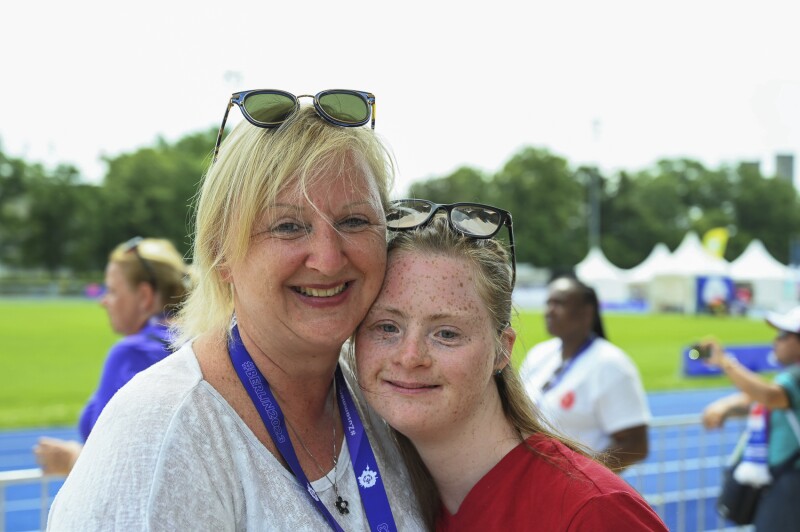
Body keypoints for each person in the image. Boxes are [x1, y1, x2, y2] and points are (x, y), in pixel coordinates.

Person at [47, 94, 423, 530]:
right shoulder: (161, 435)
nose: (328, 258)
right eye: (288, 226)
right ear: (221, 253)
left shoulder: (387, 392)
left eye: (354, 221)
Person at [354, 207, 667, 530]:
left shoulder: (592, 512)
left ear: (502, 350)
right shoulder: (392, 501)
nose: (409, 356)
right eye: (387, 327)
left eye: (447, 333)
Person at [33, 237, 191, 476]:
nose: (103, 301)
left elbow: (110, 469)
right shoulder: (201, 339)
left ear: (145, 296)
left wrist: (71, 460)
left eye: (113, 291)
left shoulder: (132, 354)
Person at [518, 275, 650, 471]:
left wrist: (579, 476)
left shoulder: (610, 364)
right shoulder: (539, 355)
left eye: (559, 303)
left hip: (577, 492)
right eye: (548, 303)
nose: (549, 311)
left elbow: (636, 446)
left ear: (587, 312)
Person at [701, 307, 800, 530]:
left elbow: (769, 396)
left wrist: (725, 362)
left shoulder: (795, 375)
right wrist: (726, 405)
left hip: (792, 481)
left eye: (783, 334)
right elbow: (760, 398)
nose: (776, 340)